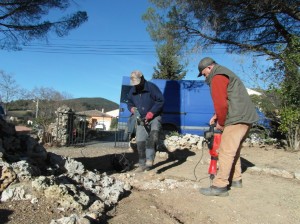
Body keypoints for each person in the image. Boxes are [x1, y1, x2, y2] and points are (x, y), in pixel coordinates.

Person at [197, 57, 258, 197]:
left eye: (204, 74)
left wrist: (221, 122)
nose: (205, 77)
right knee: (234, 151)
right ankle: (236, 179)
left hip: (236, 119)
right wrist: (216, 115)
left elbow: (221, 104)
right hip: (246, 118)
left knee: (225, 151)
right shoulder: (226, 73)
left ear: (209, 68)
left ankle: (219, 186)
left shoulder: (217, 77)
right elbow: (229, 99)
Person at [127, 70, 164, 172]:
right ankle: (142, 164)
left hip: (154, 116)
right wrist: (131, 109)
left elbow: (160, 100)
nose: (136, 86)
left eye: (138, 83)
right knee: (140, 142)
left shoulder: (152, 87)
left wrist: (151, 113)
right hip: (141, 118)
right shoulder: (132, 91)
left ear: (142, 78)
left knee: (153, 137)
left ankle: (150, 160)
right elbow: (129, 103)